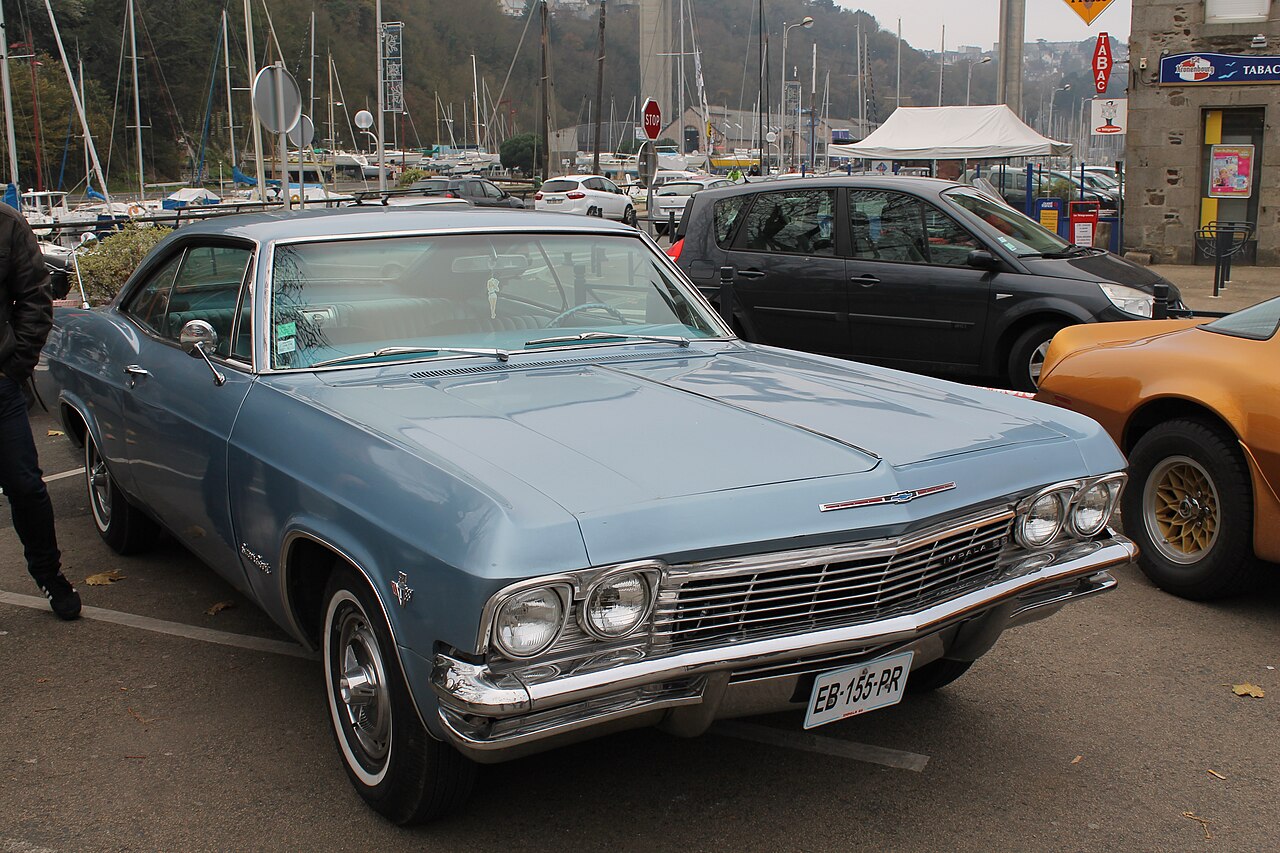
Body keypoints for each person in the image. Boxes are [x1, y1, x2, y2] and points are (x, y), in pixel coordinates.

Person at [0, 202, 78, 620]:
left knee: (26, 486)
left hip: (1, 386)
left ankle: (49, 575)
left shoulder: (7, 223)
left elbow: (34, 297)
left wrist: (14, 368)